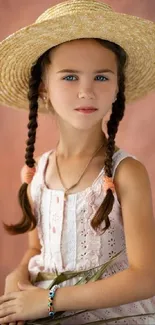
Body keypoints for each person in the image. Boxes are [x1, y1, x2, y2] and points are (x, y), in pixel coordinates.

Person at [0, 0, 155, 324]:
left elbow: (146, 277)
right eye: (70, 77)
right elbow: (35, 250)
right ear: (43, 87)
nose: (86, 91)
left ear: (117, 87)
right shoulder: (34, 173)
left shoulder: (127, 173)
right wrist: (17, 275)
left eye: (101, 77)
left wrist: (51, 301)